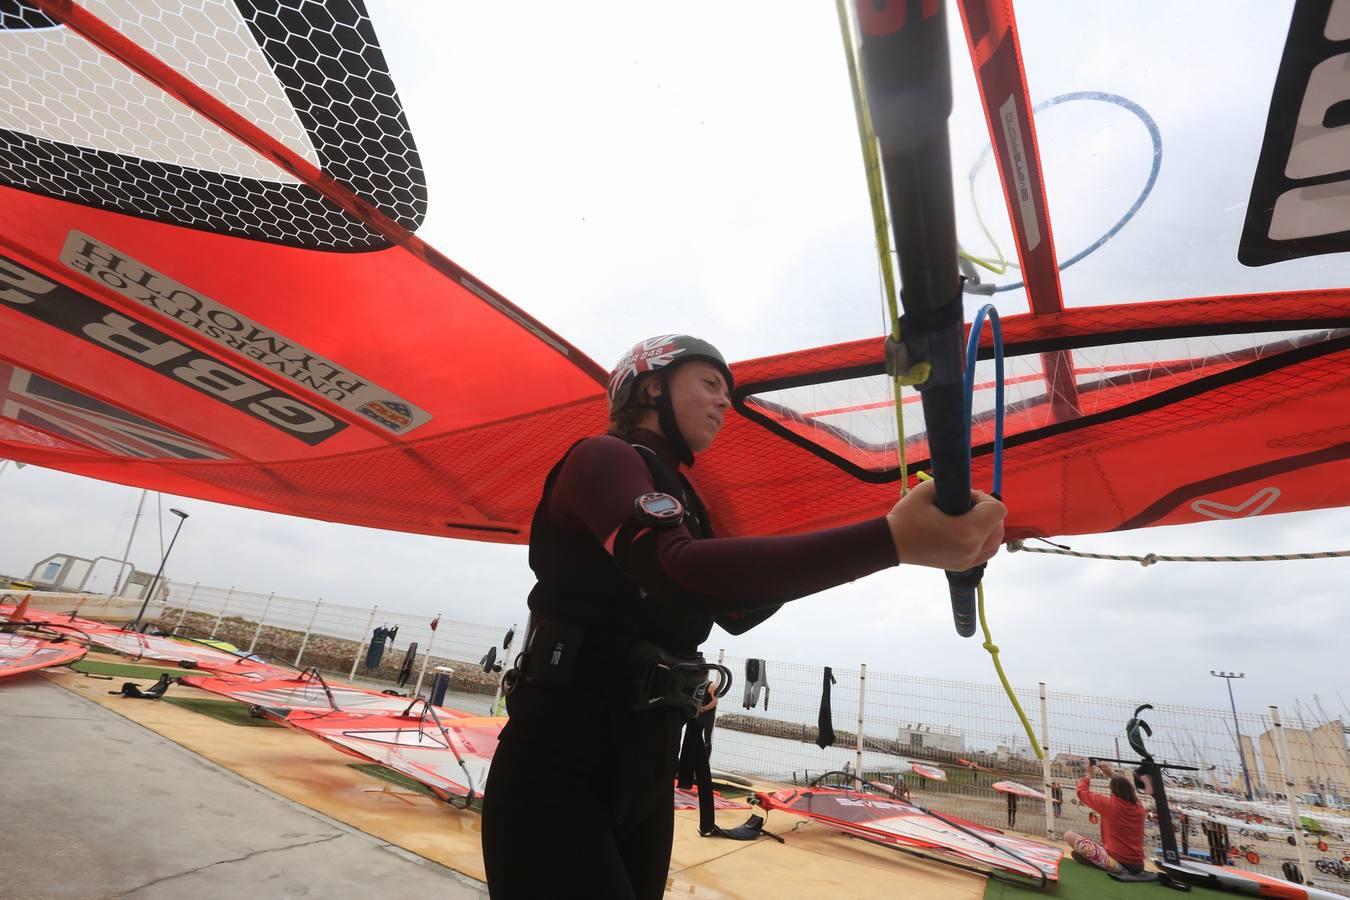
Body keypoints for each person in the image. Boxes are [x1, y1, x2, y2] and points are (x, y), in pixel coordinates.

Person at [480, 335, 1007, 899]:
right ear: (652, 386)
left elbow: (736, 606)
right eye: (709, 384)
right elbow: (675, 568)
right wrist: (889, 540)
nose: (724, 402)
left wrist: (881, 537)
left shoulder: (685, 499)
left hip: (649, 766)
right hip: (561, 762)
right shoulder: (602, 457)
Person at [1065, 760, 1147, 876]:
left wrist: (1089, 775)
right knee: (1098, 846)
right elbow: (1125, 786)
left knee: (1068, 835)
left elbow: (1081, 792)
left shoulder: (1109, 805)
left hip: (1117, 861)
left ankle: (1108, 865)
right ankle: (1098, 861)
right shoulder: (1139, 807)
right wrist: (1110, 774)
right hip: (1138, 865)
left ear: (1113, 791)